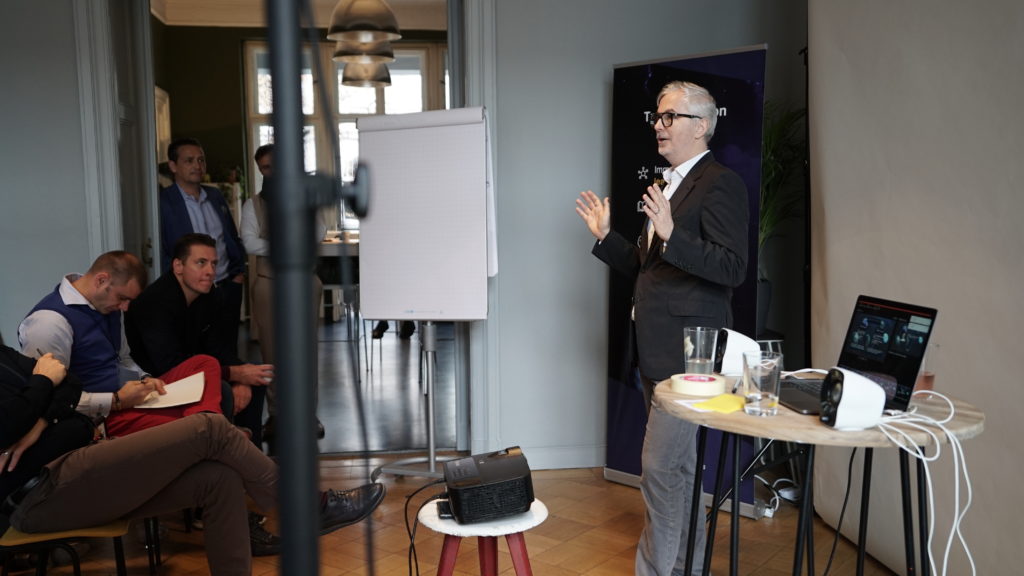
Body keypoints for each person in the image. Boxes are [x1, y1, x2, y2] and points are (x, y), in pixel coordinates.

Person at [0, 345, 385, 575]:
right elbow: (12, 422)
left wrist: (41, 414)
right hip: (41, 494)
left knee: (219, 479)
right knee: (210, 430)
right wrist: (42, 389)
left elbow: (68, 385)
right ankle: (310, 508)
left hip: (81, 461)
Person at [575, 81, 749, 576]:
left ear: (700, 125)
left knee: (659, 470)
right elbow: (647, 268)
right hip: (655, 349)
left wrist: (672, 235)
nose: (658, 124)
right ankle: (686, 569)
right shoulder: (668, 185)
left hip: (689, 356)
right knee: (678, 471)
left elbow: (733, 267)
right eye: (657, 116)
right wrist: (608, 238)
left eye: (669, 117)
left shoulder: (720, 183)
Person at [18, 251, 225, 438]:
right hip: (99, 418)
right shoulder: (49, 322)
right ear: (101, 280)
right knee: (181, 424)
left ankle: (207, 427)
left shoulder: (110, 306)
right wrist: (115, 400)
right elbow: (48, 399)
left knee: (205, 364)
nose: (125, 308)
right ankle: (210, 430)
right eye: (122, 298)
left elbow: (123, 358)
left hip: (126, 397)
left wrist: (144, 379)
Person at [125, 234, 274, 445]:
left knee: (256, 377)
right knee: (223, 387)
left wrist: (241, 375)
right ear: (178, 265)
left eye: (214, 263)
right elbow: (168, 364)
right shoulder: (155, 302)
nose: (210, 271)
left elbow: (219, 347)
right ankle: (227, 449)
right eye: (201, 263)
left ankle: (250, 455)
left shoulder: (210, 296)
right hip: (155, 380)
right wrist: (233, 373)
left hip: (194, 368)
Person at [240, 143, 326, 440]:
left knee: (307, 351)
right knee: (271, 351)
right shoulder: (253, 205)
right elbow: (249, 243)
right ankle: (276, 416)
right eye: (265, 167)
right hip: (269, 283)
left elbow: (318, 232)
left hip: (304, 281)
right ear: (261, 170)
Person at [159, 137, 247, 362]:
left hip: (227, 286)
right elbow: (163, 248)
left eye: (201, 160)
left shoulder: (215, 196)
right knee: (197, 354)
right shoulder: (163, 202)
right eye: (189, 161)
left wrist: (238, 275)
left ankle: (232, 395)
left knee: (228, 351)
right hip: (190, 291)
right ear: (173, 166)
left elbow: (231, 236)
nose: (197, 166)